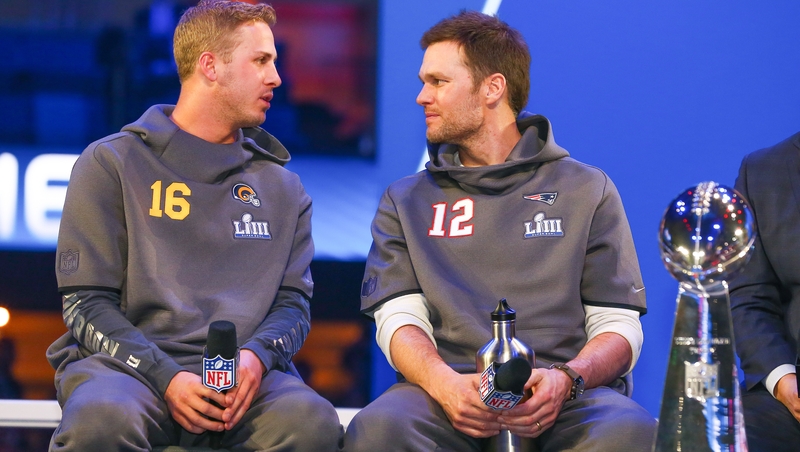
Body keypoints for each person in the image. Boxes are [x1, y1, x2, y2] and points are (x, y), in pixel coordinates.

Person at [343, 11, 656, 452]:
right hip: (445, 393)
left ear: (492, 88)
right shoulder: (405, 199)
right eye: (423, 82)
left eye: (438, 82)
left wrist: (567, 379)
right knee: (380, 429)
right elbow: (398, 319)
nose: (421, 97)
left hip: (567, 394)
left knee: (629, 431)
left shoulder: (587, 190)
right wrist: (444, 384)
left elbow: (619, 324)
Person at [45, 1, 342, 450]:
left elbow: (293, 305)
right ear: (210, 66)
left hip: (246, 382)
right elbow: (85, 303)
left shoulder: (284, 188)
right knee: (103, 418)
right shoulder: (111, 163)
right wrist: (165, 376)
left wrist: (257, 358)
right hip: (126, 371)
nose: (276, 78)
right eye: (261, 60)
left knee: (310, 421)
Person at [729, 131, 800, 452]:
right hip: (793, 393)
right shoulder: (763, 171)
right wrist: (783, 380)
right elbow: (748, 295)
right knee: (713, 436)